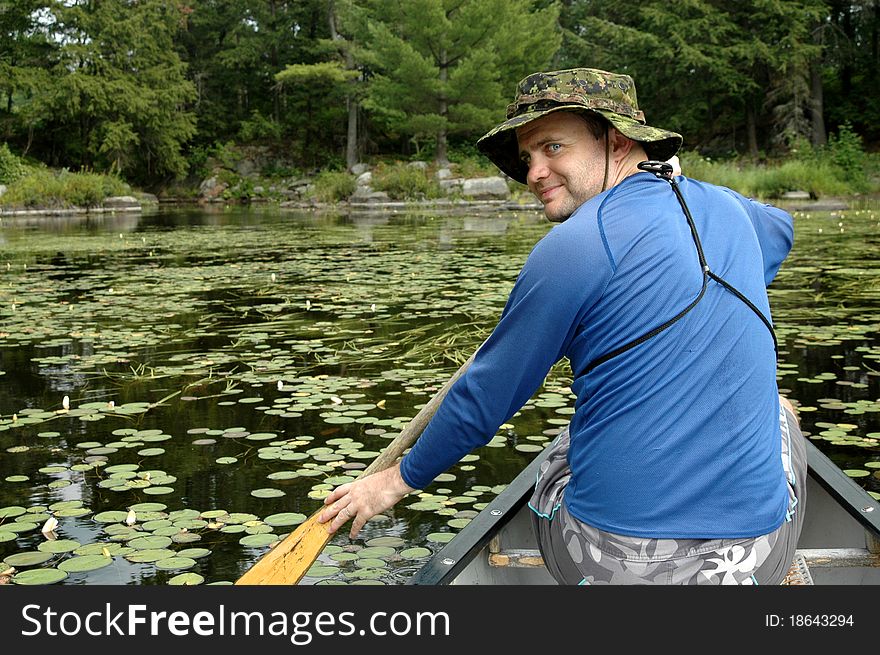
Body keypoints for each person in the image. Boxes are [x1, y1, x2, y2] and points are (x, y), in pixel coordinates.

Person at [318, 67, 806, 585]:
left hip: (613, 563)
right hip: (757, 555)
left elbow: (483, 399)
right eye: (529, 158)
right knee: (780, 414)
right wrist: (678, 193)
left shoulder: (572, 247)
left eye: (553, 147)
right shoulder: (728, 209)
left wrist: (392, 483)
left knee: (562, 448)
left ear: (617, 142)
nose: (534, 172)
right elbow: (780, 229)